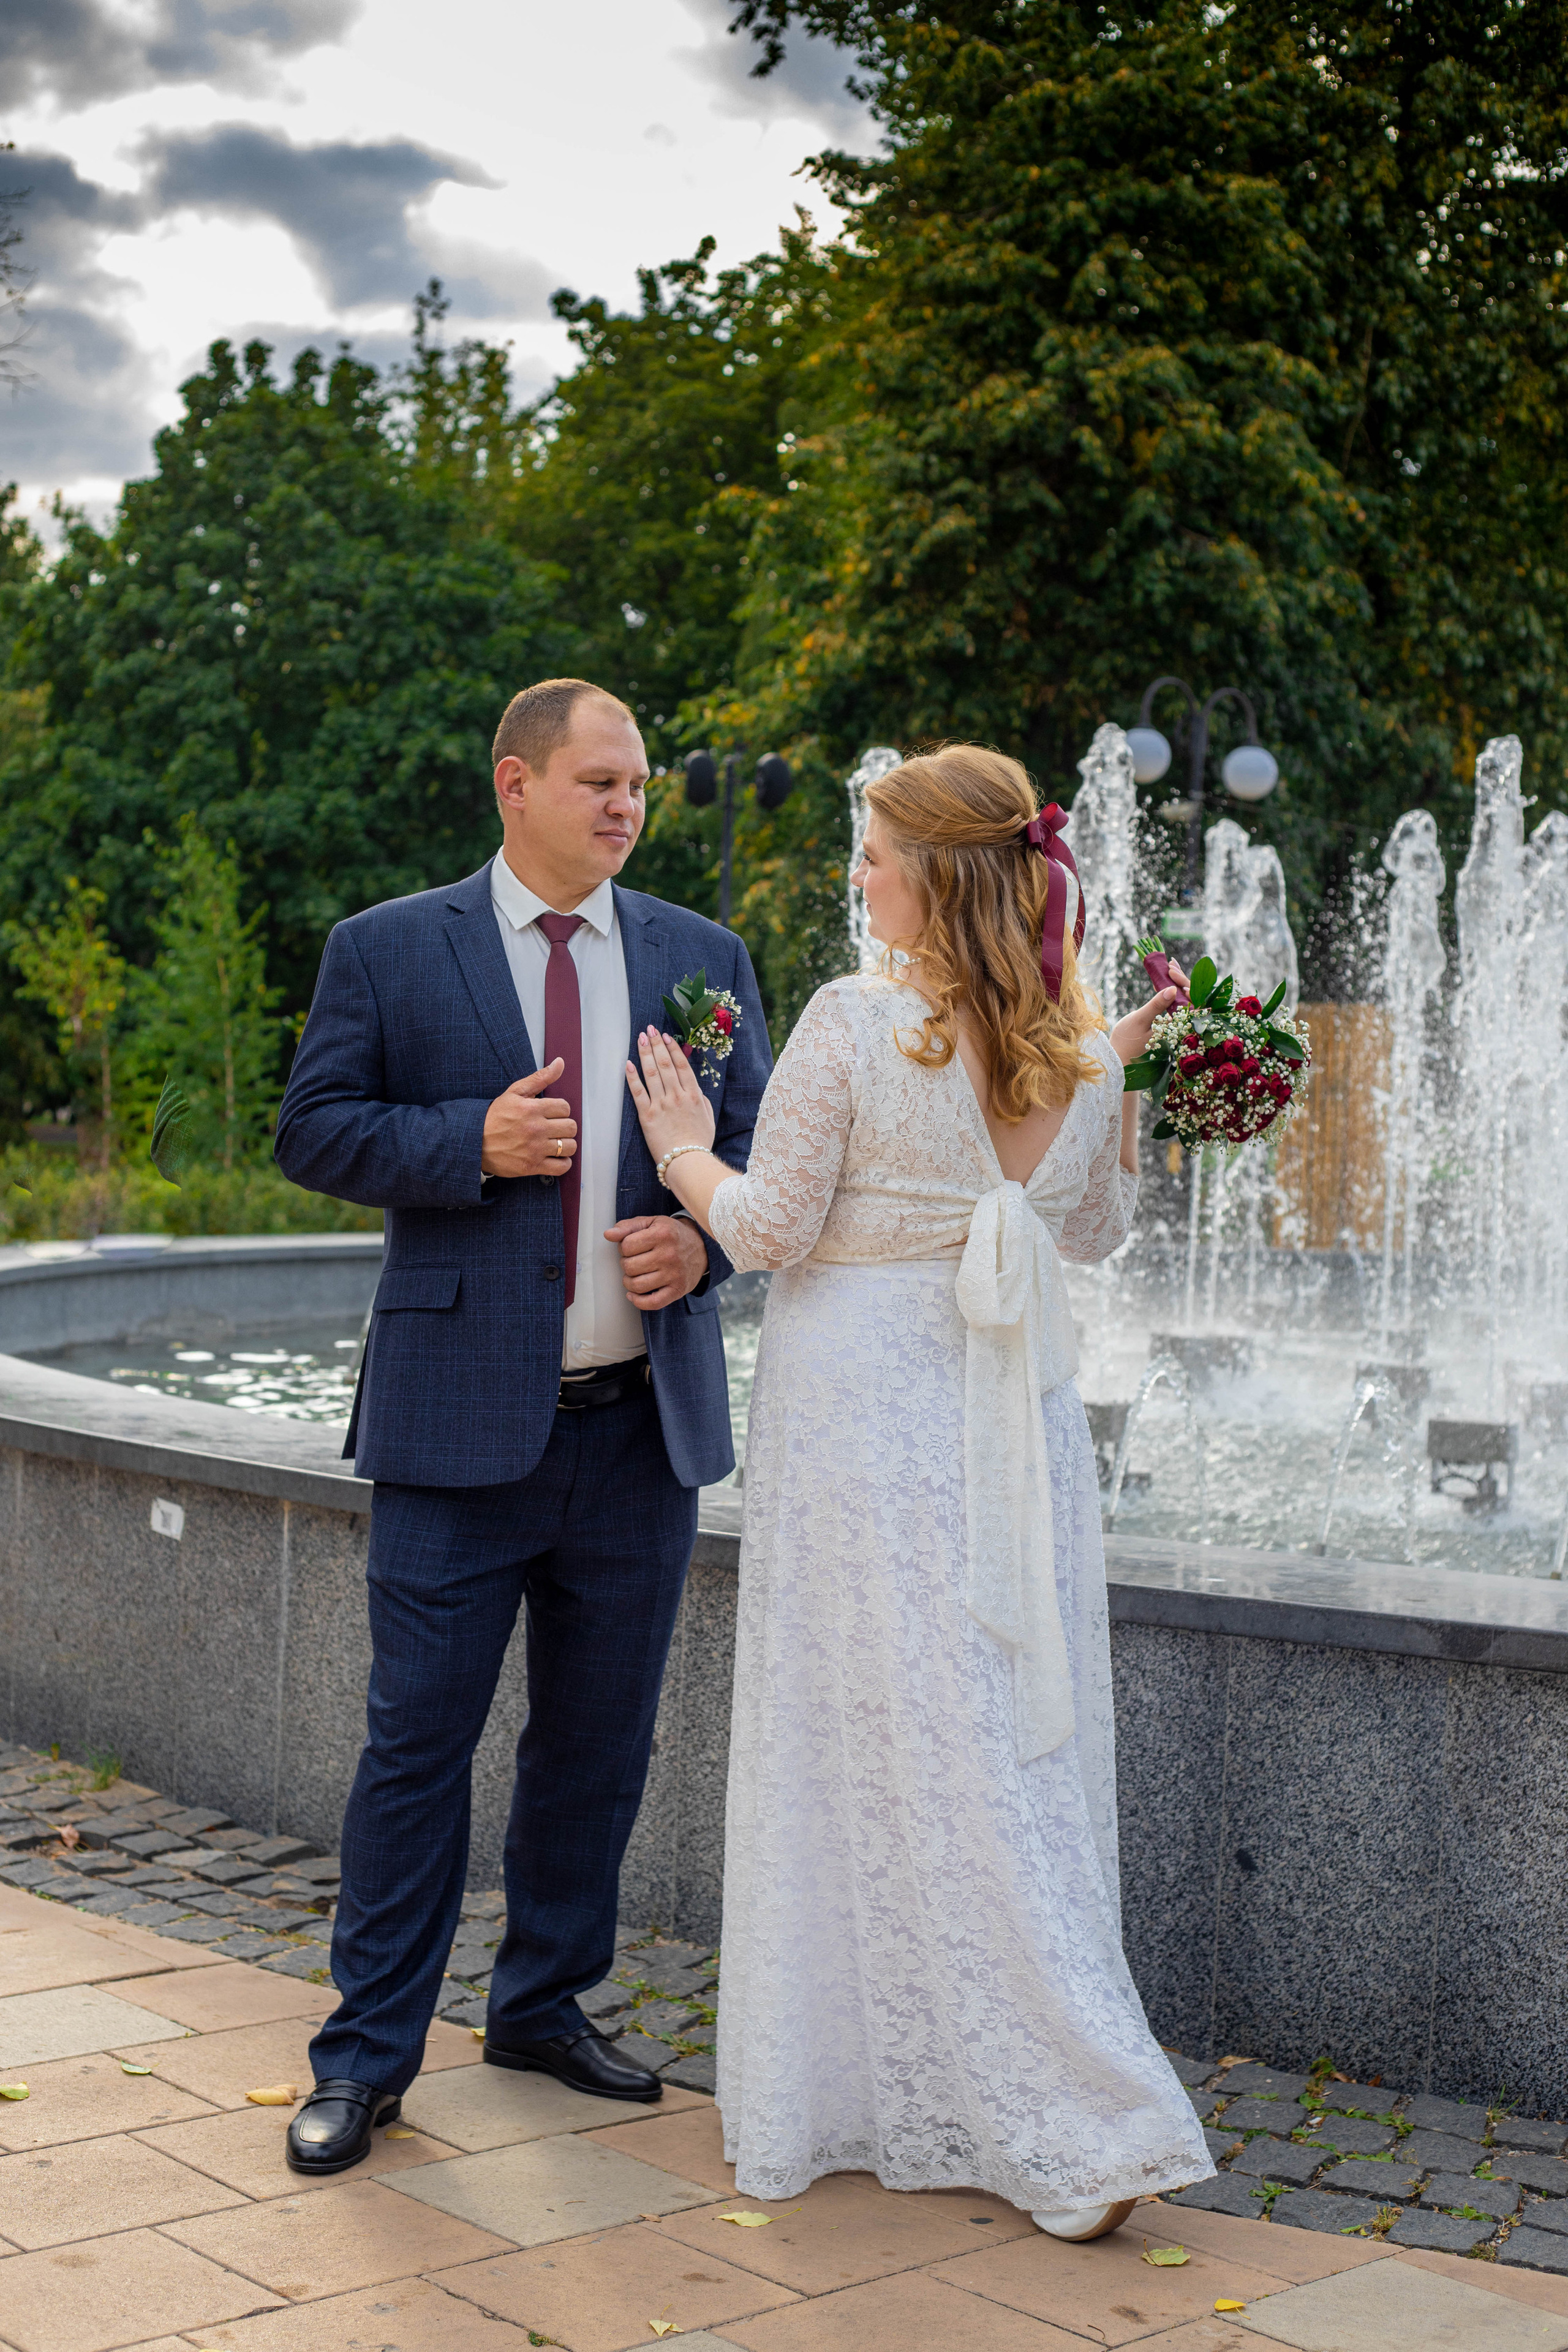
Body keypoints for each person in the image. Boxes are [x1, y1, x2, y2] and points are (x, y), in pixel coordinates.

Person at [624, 743, 1215, 2236]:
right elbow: (1084, 1236)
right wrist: (1119, 1071)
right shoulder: (1079, 1053)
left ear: (937, 875)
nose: (857, 877)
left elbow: (764, 1229)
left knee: (875, 1739)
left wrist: (686, 1153)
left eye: (875, 855)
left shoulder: (851, 1021)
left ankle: (1065, 2108)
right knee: (988, 1735)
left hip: (869, 1423)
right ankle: (993, 2091)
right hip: (1001, 1421)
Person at [273, 678, 771, 2176]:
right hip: (451, 1430)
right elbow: (312, 1130)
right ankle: (365, 2061)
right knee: (415, 1750)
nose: (626, 805)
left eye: (637, 788)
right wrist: (463, 1142)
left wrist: (712, 1248)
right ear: (515, 784)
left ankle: (543, 2007)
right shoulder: (388, 948)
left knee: (596, 1746)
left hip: (639, 1433)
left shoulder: (702, 957)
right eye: (598, 782)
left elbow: (756, 1152)